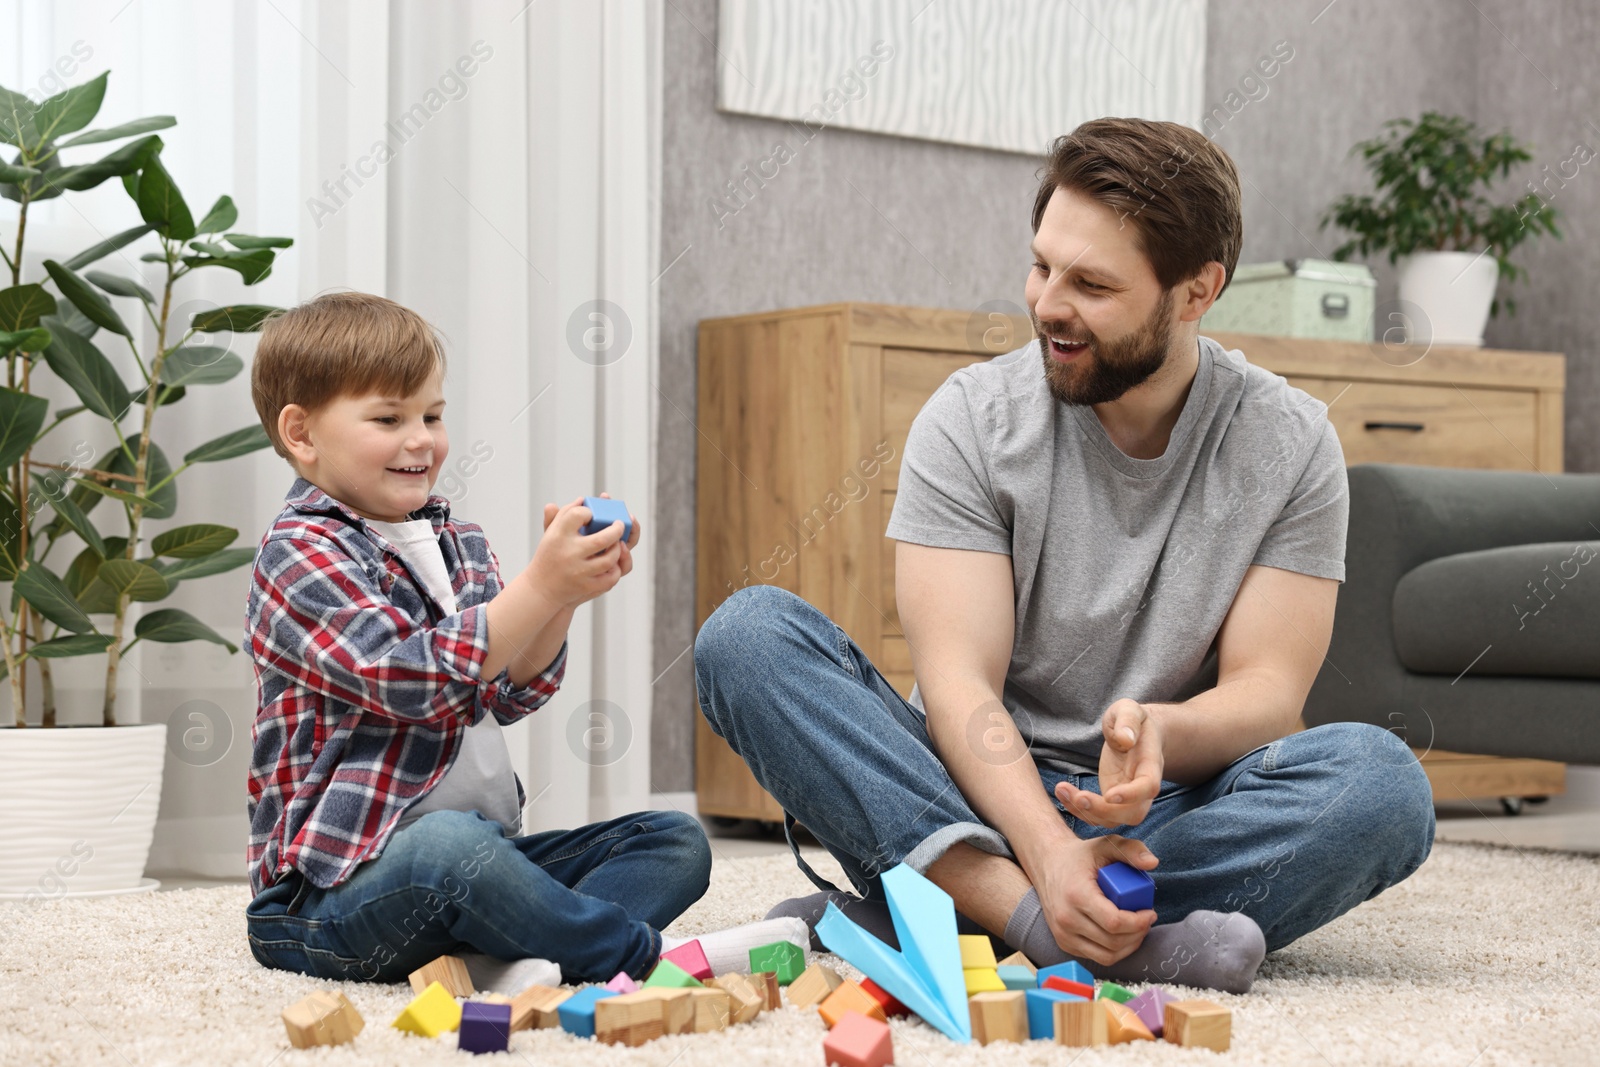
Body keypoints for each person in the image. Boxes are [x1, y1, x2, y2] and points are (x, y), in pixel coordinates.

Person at [694, 118, 1434, 994]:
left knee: (1382, 786)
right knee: (747, 637)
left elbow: (1270, 694)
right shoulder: (972, 420)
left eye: (1091, 283)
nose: (1047, 303)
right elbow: (959, 683)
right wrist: (1046, 853)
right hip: (966, 786)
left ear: (1196, 292)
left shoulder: (1290, 444)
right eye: (1043, 266)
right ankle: (1049, 921)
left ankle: (938, 913)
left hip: (1161, 808)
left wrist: (1160, 731)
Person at [244, 291, 802, 987]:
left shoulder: (457, 541)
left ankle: (507, 958)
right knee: (450, 848)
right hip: (328, 893)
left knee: (673, 839)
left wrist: (560, 598)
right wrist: (539, 586)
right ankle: (644, 958)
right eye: (389, 418)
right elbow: (412, 680)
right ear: (302, 434)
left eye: (433, 415)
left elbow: (512, 691)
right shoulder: (298, 553)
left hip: (476, 861)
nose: (421, 438)